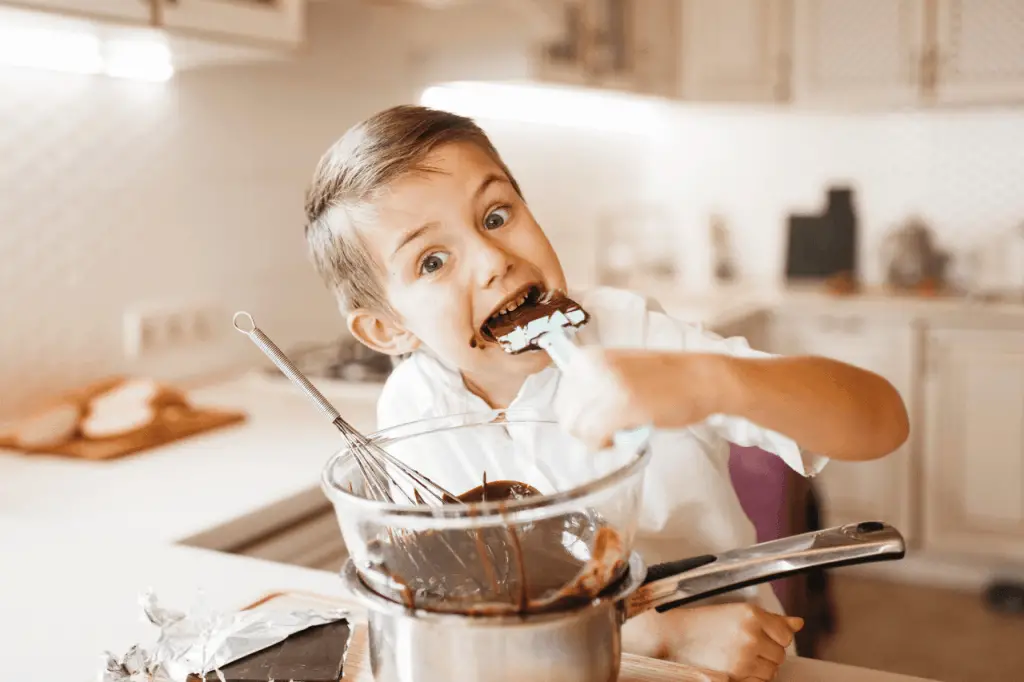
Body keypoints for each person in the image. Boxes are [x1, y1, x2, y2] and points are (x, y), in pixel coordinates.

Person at [303, 105, 909, 681]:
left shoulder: (636, 336)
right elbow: (471, 618)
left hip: (729, 665)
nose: (492, 260)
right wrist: (658, 636)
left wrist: (709, 381)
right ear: (388, 329)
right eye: (433, 262)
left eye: (496, 216)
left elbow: (883, 420)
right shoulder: (414, 412)